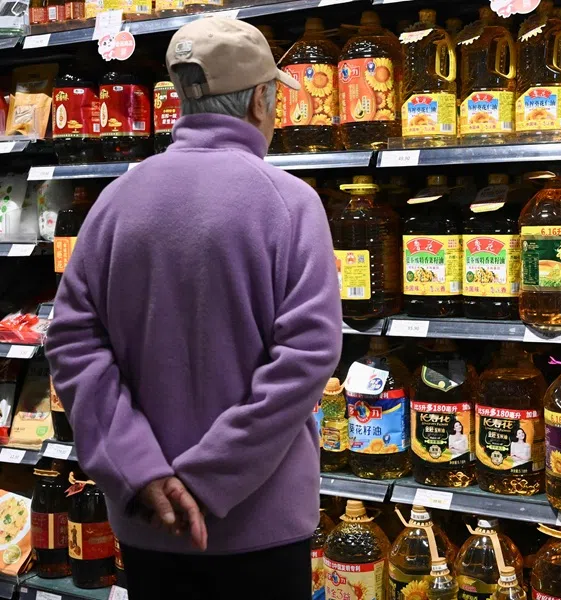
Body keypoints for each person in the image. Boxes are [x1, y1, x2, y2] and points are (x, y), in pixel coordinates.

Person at [44, 18, 341, 599]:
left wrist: (143, 470)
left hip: (147, 521)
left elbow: (72, 342)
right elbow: (308, 355)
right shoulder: (290, 203)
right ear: (262, 98)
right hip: (261, 522)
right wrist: (206, 479)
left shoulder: (115, 202)